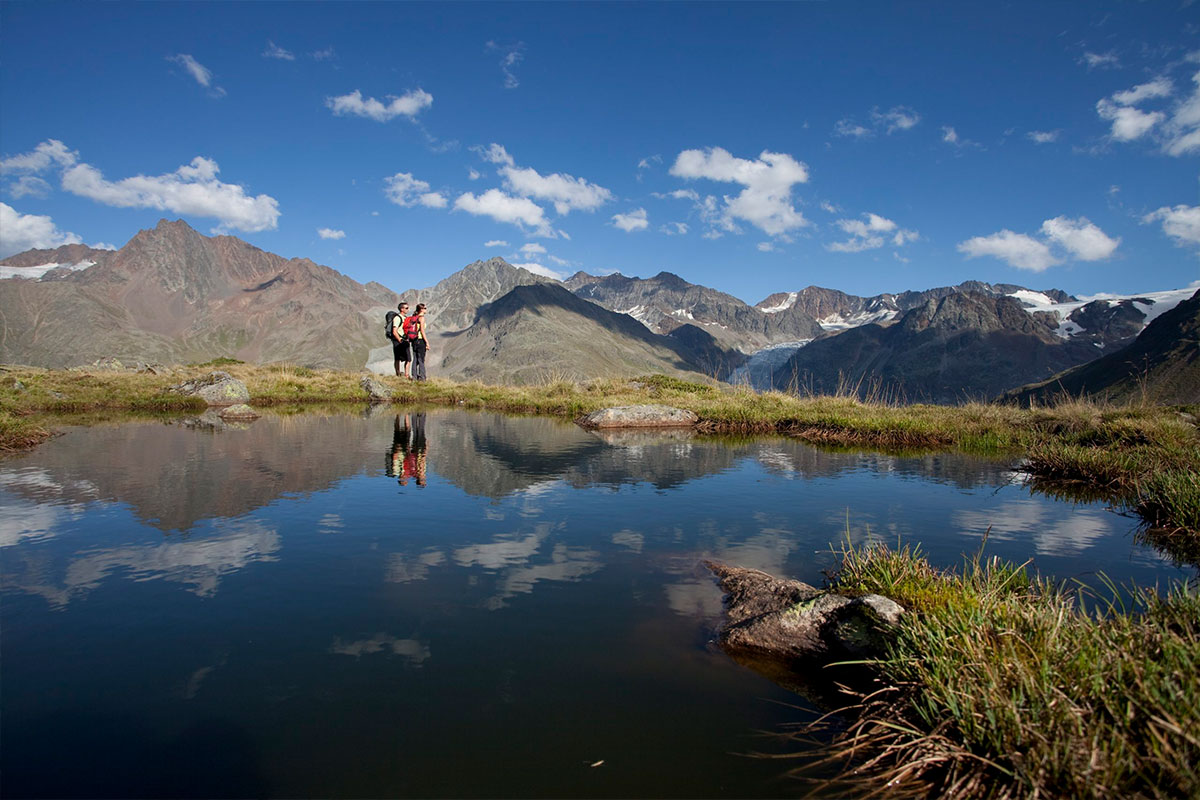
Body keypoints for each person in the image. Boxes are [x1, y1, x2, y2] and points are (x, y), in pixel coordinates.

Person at [408, 303, 430, 381]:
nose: (426, 309)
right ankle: (422, 377)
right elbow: (422, 331)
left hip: (414, 340)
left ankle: (414, 377)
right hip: (420, 340)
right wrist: (427, 342)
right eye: (425, 308)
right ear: (421, 309)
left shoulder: (414, 317)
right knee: (421, 359)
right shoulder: (422, 318)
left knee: (415, 359)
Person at [391, 301, 411, 377]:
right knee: (397, 358)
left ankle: (406, 375)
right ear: (401, 309)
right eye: (406, 308)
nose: (408, 309)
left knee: (408, 358)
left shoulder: (406, 318)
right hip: (398, 340)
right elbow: (394, 331)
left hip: (405, 340)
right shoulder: (397, 318)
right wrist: (399, 340)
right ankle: (398, 374)